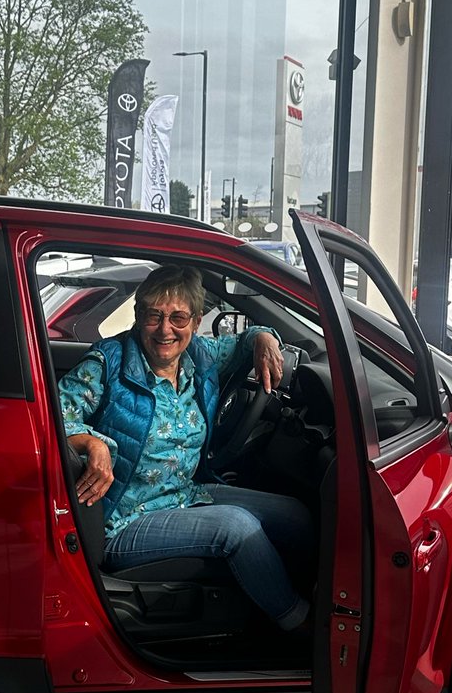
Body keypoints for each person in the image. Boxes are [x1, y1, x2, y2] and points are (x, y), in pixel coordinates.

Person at [58, 264, 313, 632]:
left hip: (186, 494)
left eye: (178, 318)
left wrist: (264, 339)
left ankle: (295, 594)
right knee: (236, 528)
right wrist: (91, 442)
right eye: (153, 316)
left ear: (195, 322)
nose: (165, 330)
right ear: (137, 316)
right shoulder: (107, 363)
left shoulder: (201, 357)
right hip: (123, 520)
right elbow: (52, 417)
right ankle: (297, 623)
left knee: (295, 515)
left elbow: (248, 339)